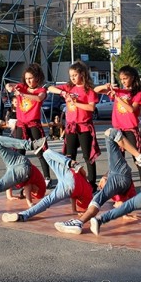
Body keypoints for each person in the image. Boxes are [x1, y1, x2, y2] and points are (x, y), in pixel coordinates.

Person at [53, 128, 138, 234]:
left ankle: (79, 222)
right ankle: (88, 221)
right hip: (123, 178)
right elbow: (123, 200)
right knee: (99, 199)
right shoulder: (118, 190)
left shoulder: (116, 185)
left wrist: (138, 156)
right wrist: (125, 213)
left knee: (110, 132)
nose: (101, 184)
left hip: (120, 175)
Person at [1, 147, 93, 223]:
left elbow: (83, 174)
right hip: (69, 187)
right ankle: (22, 216)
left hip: (69, 175)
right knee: (46, 201)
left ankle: (49, 153)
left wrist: (77, 166)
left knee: (48, 154)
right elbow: (75, 197)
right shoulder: (86, 197)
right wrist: (75, 210)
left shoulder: (88, 187)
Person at [46, 61, 100, 192]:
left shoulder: (88, 90)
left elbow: (91, 107)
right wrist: (62, 93)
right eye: (71, 75)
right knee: (70, 156)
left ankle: (92, 183)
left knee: (88, 156)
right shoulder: (69, 87)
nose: (73, 78)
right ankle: (71, 181)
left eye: (75, 75)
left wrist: (76, 103)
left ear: (82, 74)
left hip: (84, 126)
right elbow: (49, 88)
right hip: (71, 127)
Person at [94, 65, 141, 189]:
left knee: (139, 158)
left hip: (130, 129)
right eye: (121, 78)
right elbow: (96, 90)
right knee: (118, 159)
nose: (123, 81)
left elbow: (131, 109)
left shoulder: (138, 93)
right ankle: (118, 187)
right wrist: (105, 86)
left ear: (132, 78)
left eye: (125, 78)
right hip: (118, 129)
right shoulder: (118, 91)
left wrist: (118, 97)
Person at [5, 63, 53, 187]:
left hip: (34, 124)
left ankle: (47, 177)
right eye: (26, 78)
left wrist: (22, 94)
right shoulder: (22, 87)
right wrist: (9, 87)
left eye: (31, 78)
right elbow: (9, 85)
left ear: (37, 77)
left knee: (40, 151)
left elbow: (38, 98)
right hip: (21, 125)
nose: (28, 81)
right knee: (20, 152)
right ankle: (20, 178)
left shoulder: (40, 90)